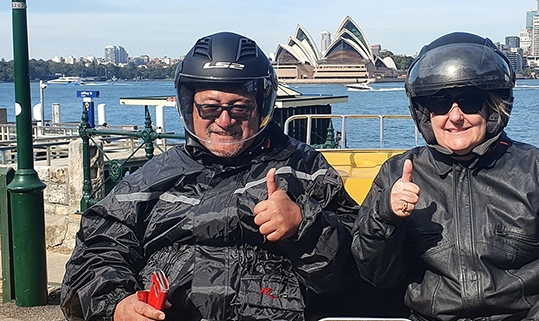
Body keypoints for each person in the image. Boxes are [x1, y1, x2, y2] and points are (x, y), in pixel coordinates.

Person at [61, 31, 362, 321]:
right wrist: (117, 304)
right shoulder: (150, 179)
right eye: (209, 108)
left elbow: (361, 262)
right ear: (189, 107)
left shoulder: (304, 169)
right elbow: (97, 251)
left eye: (240, 108)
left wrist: (304, 226)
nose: (224, 120)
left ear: (261, 108)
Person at [351, 32, 539, 321]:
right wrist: (386, 217)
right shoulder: (397, 174)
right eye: (440, 104)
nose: (455, 116)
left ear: (493, 107)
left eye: (470, 102)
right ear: (424, 114)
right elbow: (376, 274)